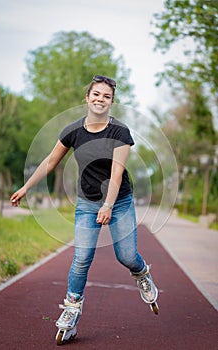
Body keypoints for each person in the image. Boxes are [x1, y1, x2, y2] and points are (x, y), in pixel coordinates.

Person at [10, 75, 159, 344]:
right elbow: (50, 162)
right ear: (87, 98)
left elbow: (116, 173)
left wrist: (109, 205)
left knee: (125, 256)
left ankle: (142, 273)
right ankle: (71, 311)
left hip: (120, 201)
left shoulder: (120, 132)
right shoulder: (73, 131)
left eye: (106, 96)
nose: (100, 99)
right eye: (96, 94)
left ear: (111, 102)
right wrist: (26, 187)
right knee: (81, 259)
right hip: (87, 203)